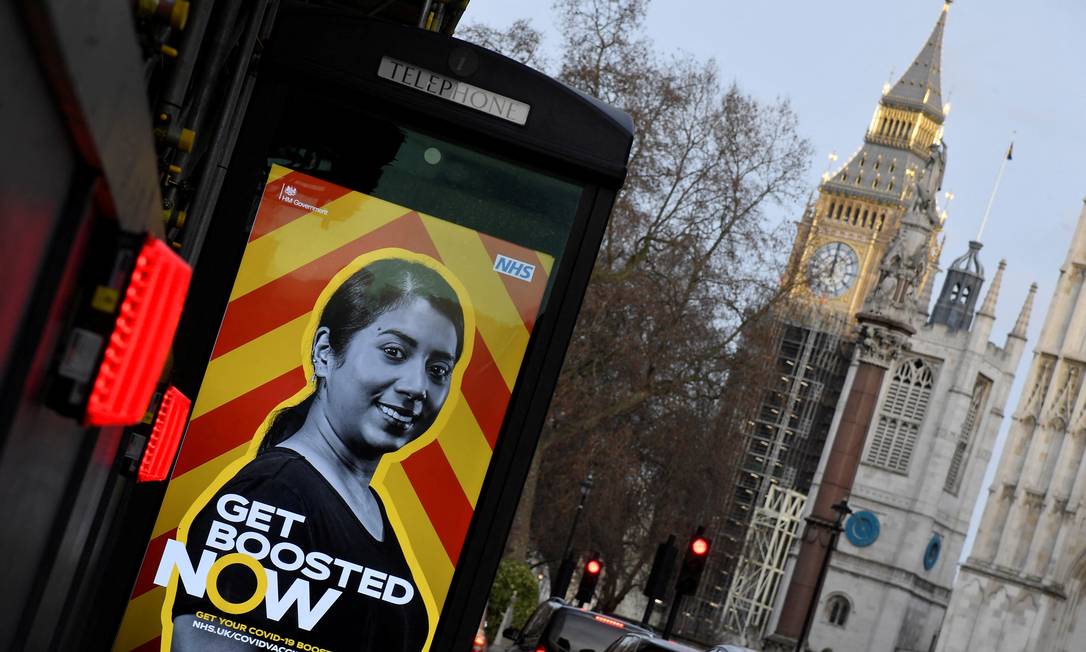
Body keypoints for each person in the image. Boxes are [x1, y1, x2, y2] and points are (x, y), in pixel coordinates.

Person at [169, 257, 466, 652]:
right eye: (394, 351)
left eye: (438, 369)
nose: (417, 386)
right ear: (325, 352)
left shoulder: (364, 502)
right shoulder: (273, 493)